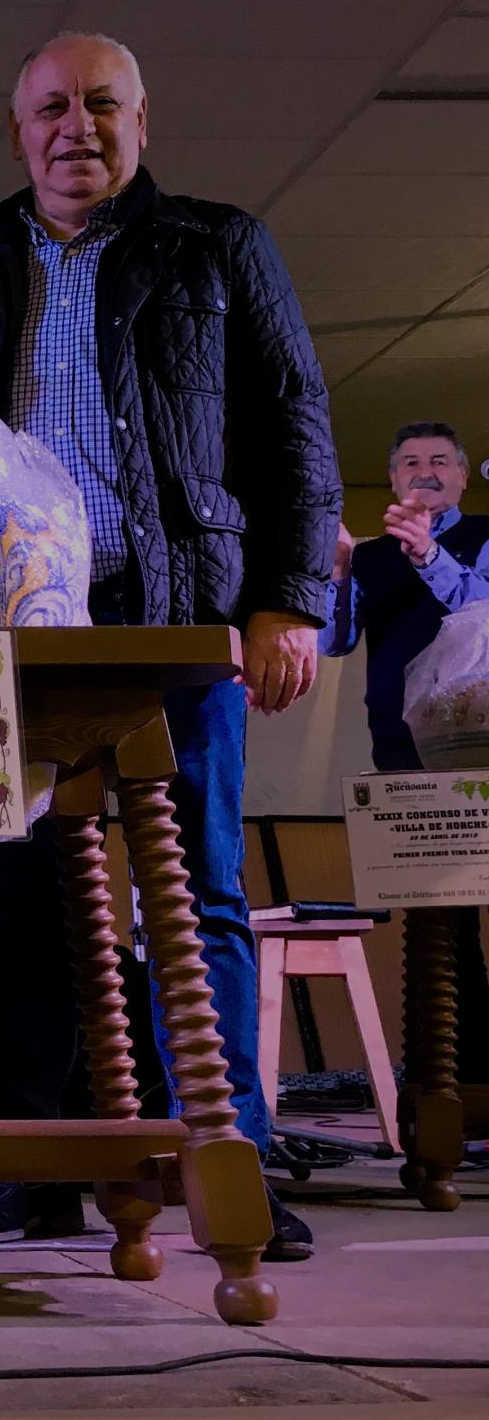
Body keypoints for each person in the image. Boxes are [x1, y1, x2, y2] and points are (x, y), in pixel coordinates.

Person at [0, 31, 339, 1259]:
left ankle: (228, 1155)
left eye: (101, 104)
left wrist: (288, 597)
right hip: (14, 631)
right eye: (51, 108)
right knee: (28, 900)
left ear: (141, 120)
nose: (77, 127)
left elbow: (294, 420)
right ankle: (40, 1162)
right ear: (17, 133)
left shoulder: (218, 245)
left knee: (197, 890)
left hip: (176, 617)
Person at [323, 421, 489, 1076]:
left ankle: (464, 1075)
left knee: (467, 906)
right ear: (393, 479)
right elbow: (334, 642)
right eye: (411, 462)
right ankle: (446, 1075)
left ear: (462, 477)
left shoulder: (485, 536)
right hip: (399, 748)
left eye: (440, 461)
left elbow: (481, 611)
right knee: (434, 919)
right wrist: (339, 571)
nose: (425, 471)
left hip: (477, 748)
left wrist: (429, 555)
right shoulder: (371, 557)